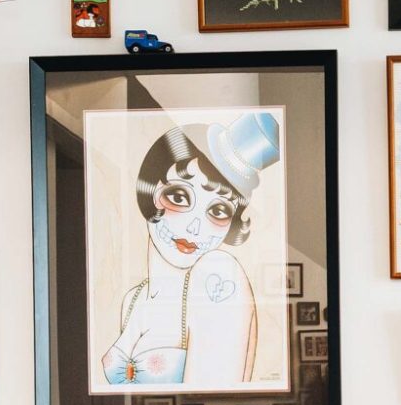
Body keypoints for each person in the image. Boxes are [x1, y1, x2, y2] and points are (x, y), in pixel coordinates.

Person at [100, 110, 280, 388]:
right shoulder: (132, 299)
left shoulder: (218, 274)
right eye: (179, 197)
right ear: (151, 190)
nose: (195, 227)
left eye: (218, 211)